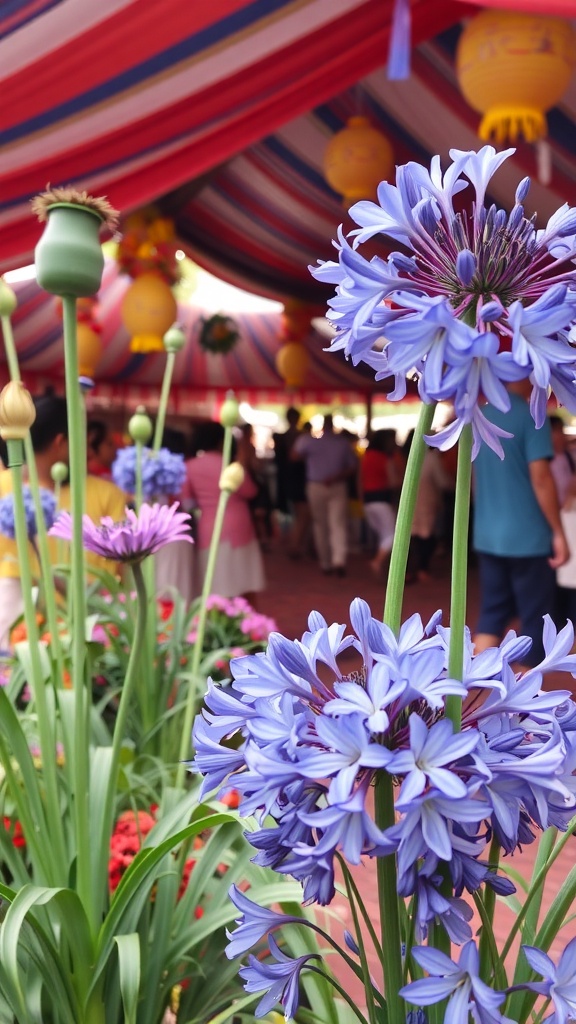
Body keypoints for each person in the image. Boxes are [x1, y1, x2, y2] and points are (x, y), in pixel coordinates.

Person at [0, 394, 127, 648]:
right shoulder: (108, 494)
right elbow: (117, 574)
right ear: (61, 442)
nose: (87, 451)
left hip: (75, 630)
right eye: (82, 441)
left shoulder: (4, 487)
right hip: (73, 630)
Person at [472, 381, 569, 667]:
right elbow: (541, 478)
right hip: (529, 537)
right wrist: (558, 533)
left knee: (491, 613)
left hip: (487, 535)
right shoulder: (532, 416)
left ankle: (469, 697)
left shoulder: (478, 415)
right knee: (535, 619)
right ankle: (524, 704)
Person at [181, 421, 265, 605]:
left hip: (209, 528)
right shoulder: (230, 465)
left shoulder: (190, 466)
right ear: (221, 441)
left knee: (214, 583)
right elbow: (250, 491)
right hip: (240, 527)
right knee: (244, 582)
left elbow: (187, 503)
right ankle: (249, 624)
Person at [292, 413, 358, 576]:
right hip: (334, 486)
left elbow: (293, 456)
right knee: (337, 524)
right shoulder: (341, 443)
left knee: (321, 524)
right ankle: (337, 560)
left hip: (318, 486)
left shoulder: (310, 441)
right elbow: (352, 466)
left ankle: (327, 562)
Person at [360, 430, 401, 577]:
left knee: (384, 535)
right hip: (382, 500)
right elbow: (393, 482)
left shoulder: (367, 456)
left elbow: (361, 479)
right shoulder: (386, 458)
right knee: (393, 535)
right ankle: (377, 561)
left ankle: (383, 565)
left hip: (368, 501)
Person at [272, 407, 310, 559]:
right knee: (302, 514)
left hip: (290, 479)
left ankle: (297, 544)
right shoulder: (298, 437)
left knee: (300, 514)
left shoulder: (284, 437)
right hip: (297, 480)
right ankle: (295, 545)